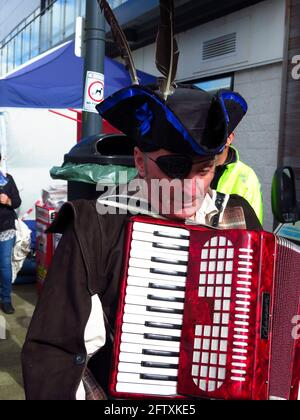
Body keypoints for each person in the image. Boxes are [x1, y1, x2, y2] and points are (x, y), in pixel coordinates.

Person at [21, 83, 262, 400]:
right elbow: (54, 357)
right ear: (139, 160)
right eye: (174, 168)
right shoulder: (95, 226)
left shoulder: (238, 216)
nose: (191, 189)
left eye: (204, 170)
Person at [211, 125, 264, 225]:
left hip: (228, 239)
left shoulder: (247, 176)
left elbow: (253, 226)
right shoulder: (195, 167)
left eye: (213, 133)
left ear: (229, 139)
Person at [0, 155, 22, 314]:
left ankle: (6, 299)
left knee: (5, 266)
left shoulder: (7, 180)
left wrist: (8, 201)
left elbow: (17, 201)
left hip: (6, 228)